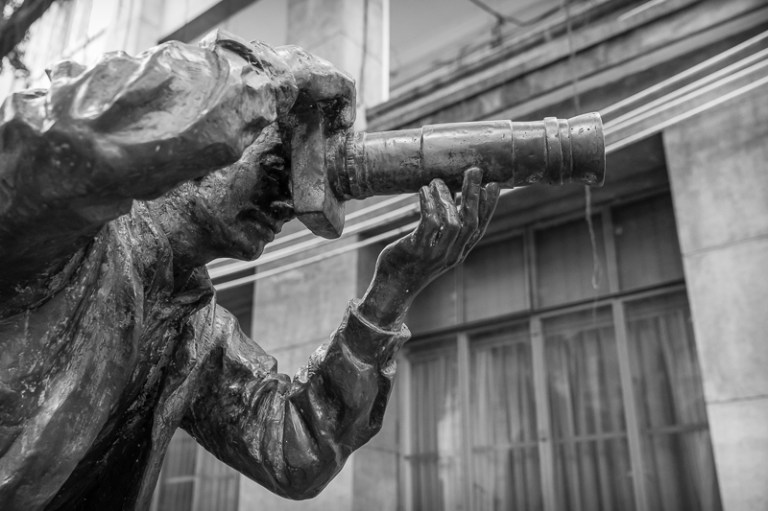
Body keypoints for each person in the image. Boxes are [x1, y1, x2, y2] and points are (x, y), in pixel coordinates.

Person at [0, 31, 499, 510]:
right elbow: (53, 143)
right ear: (201, 150)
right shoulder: (67, 236)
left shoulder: (194, 329)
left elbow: (295, 450)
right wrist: (270, 73)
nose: (288, 203)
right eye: (276, 169)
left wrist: (393, 287)